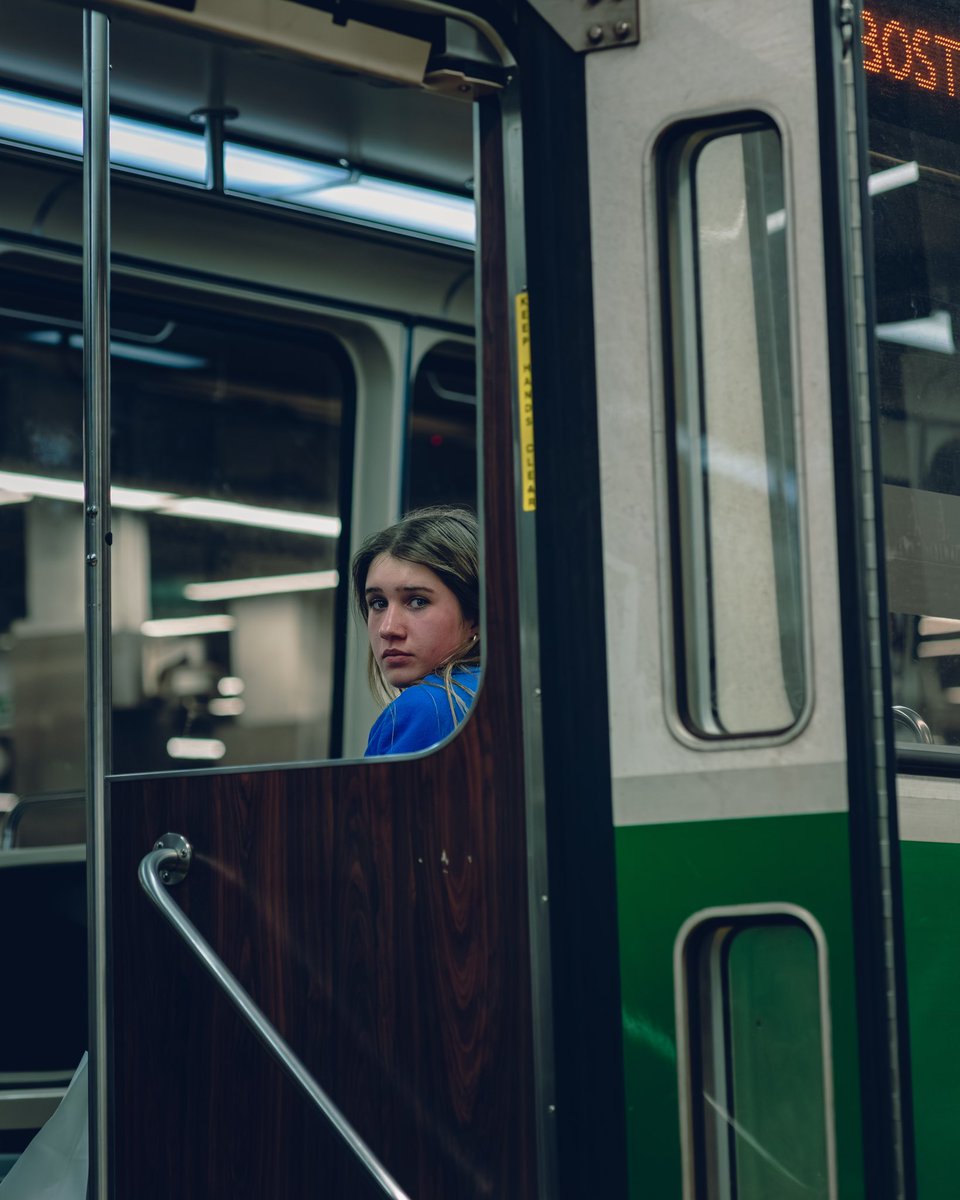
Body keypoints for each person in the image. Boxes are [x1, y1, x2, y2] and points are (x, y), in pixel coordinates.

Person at [351, 506, 481, 756]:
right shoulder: (511, 696)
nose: (388, 629)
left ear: (474, 615)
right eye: (378, 603)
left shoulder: (426, 706)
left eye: (417, 601)